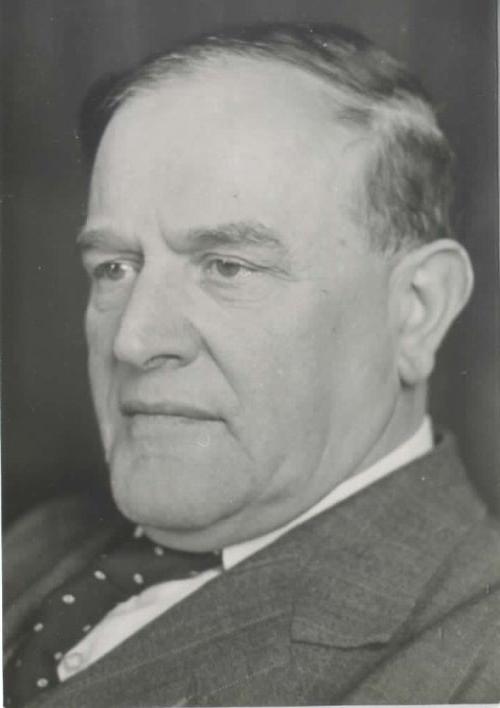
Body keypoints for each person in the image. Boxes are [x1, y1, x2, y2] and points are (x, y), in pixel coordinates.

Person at [3, 23, 500, 707]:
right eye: (114, 267)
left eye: (227, 267)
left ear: (417, 309)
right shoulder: (39, 537)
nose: (133, 341)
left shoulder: (474, 663)